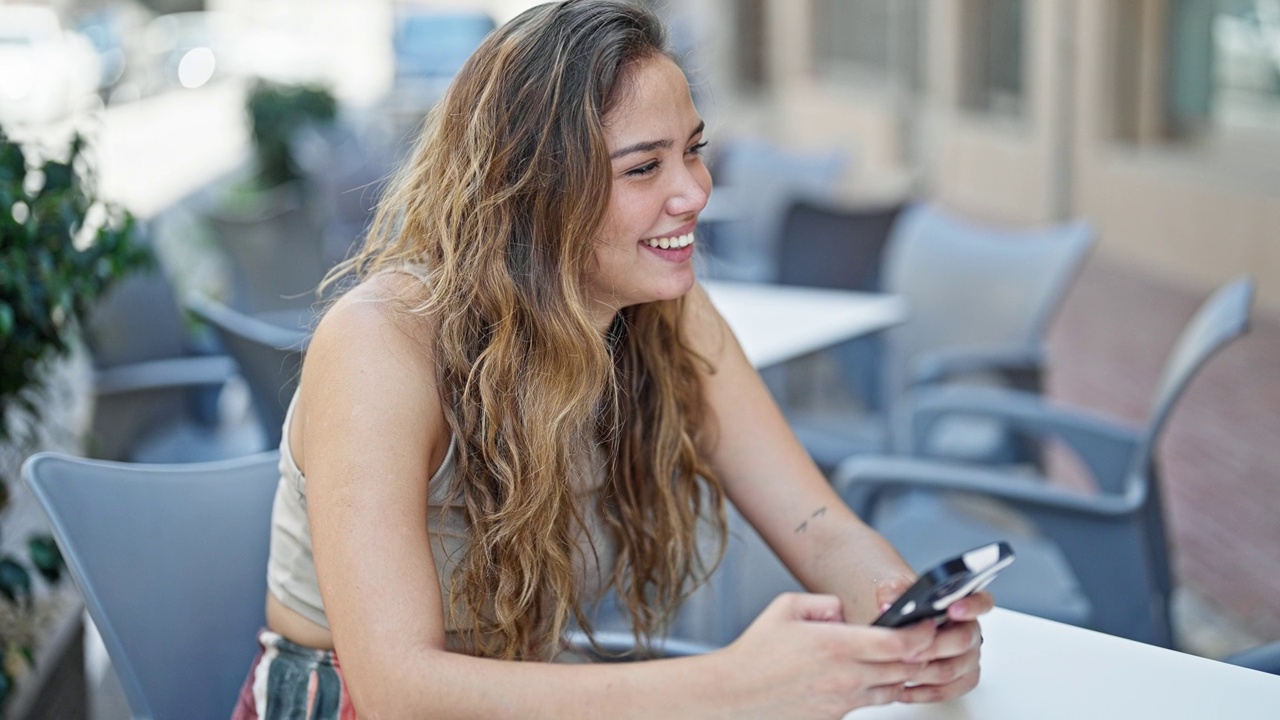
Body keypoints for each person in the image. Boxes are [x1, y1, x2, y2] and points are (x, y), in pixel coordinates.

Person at [232, 1, 990, 717]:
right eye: (643, 168)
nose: (693, 192)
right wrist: (734, 684)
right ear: (531, 191)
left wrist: (900, 618)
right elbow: (397, 689)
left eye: (693, 151)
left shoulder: (667, 310)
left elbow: (819, 526)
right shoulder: (382, 343)